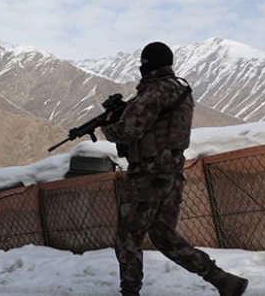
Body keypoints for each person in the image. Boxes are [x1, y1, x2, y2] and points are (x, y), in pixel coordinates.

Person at [100, 41, 248, 296]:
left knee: (128, 237)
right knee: (164, 236)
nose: (141, 69)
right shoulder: (180, 90)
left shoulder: (154, 92)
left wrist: (107, 126)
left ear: (149, 64)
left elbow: (130, 130)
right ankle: (223, 280)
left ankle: (130, 292)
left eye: (143, 64)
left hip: (146, 176)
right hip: (170, 175)